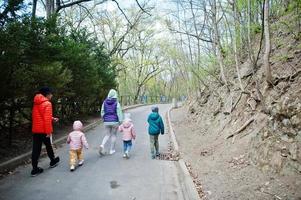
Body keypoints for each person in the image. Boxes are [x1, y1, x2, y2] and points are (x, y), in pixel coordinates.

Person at [31, 87, 60, 177]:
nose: (52, 95)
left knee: (36, 149)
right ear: (47, 94)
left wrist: (52, 118)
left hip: (36, 130)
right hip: (44, 130)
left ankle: (34, 169)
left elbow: (40, 116)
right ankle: (53, 161)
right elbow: (46, 120)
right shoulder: (47, 103)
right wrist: (48, 132)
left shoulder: (36, 102)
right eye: (51, 93)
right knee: (48, 146)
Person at [99, 89, 123, 155]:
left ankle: (102, 145)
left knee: (107, 134)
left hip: (106, 121)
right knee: (114, 135)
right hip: (114, 121)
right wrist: (120, 121)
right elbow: (119, 113)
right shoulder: (116, 103)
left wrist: (104, 118)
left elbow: (102, 112)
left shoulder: (104, 102)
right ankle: (111, 150)